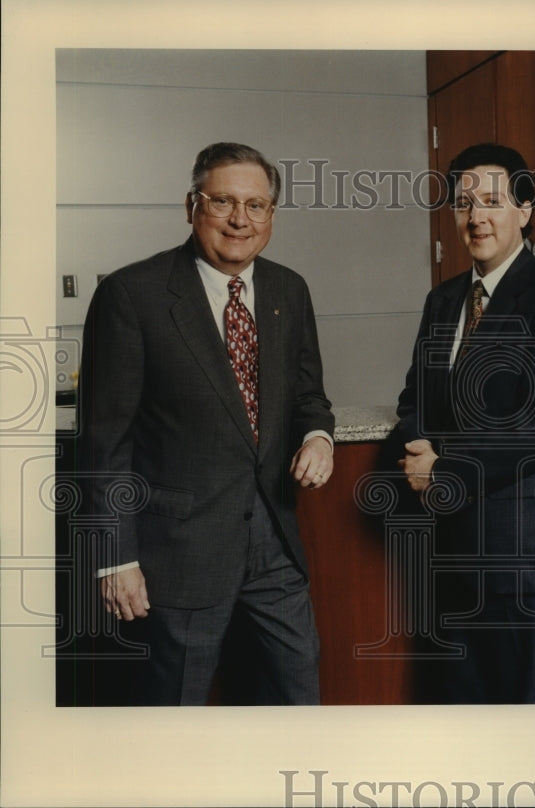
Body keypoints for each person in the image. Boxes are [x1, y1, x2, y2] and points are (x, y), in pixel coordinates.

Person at [77, 142, 335, 705]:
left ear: (272, 215)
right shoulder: (132, 295)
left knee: (298, 699)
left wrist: (318, 436)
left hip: (274, 547)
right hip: (179, 553)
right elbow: (104, 443)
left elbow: (308, 396)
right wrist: (114, 557)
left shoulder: (289, 290)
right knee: (175, 715)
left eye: (257, 205)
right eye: (223, 201)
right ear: (191, 205)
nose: (240, 219)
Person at [388, 142, 535, 703]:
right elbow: (414, 398)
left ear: (524, 209)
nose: (475, 217)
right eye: (463, 204)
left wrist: (446, 468)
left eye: (492, 201)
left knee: (526, 727)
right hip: (454, 554)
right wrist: (418, 443)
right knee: (464, 727)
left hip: (525, 557)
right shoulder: (443, 300)